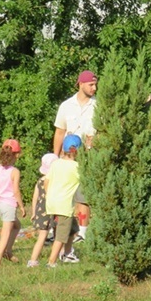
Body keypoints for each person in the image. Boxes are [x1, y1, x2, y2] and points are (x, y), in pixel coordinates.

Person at [54, 69, 98, 242]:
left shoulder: (98, 105)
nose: (94, 88)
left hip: (88, 156)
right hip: (67, 157)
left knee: (83, 195)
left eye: (95, 84)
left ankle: (83, 232)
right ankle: (59, 231)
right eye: (91, 84)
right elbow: (59, 132)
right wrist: (54, 158)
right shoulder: (66, 106)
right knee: (63, 194)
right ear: (81, 84)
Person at [46, 135, 82, 268]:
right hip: (64, 205)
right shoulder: (76, 167)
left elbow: (46, 181)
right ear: (77, 151)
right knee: (61, 236)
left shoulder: (56, 163)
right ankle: (51, 262)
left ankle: (67, 254)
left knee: (72, 229)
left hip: (53, 203)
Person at [0, 139, 26, 267]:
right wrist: (22, 206)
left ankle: (8, 252)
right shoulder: (14, 171)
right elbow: (16, 191)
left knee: (17, 226)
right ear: (16, 155)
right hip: (9, 205)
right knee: (5, 234)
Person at [27, 153, 59, 268]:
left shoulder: (40, 181)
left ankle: (33, 260)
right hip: (53, 209)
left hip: (41, 211)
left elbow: (35, 197)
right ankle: (58, 256)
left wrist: (34, 212)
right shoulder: (55, 181)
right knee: (58, 235)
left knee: (42, 236)